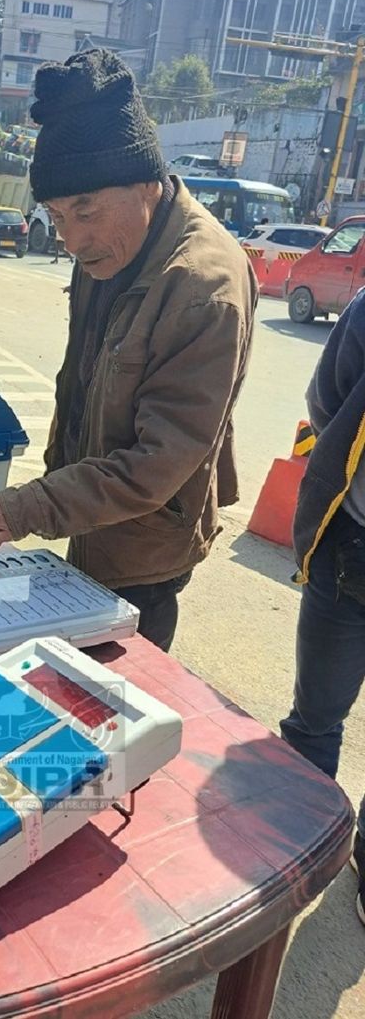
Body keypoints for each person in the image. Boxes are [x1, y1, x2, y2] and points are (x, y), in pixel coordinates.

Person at [0, 49, 256, 652]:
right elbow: (84, 382)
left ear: (147, 184)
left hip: (146, 544)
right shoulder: (108, 249)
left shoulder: (201, 288)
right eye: (57, 216)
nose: (71, 238)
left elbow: (158, 463)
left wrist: (30, 507)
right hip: (89, 513)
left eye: (86, 211)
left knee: (117, 688)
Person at [281, 288, 365, 925]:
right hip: (350, 553)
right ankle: (298, 849)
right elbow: (329, 405)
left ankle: (298, 853)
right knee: (315, 722)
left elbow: (327, 402)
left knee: (314, 722)